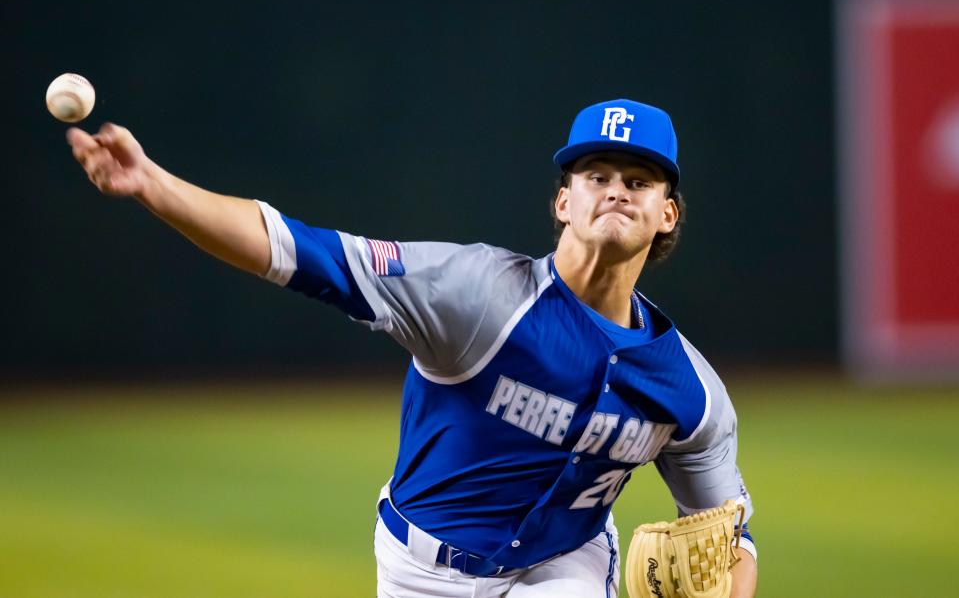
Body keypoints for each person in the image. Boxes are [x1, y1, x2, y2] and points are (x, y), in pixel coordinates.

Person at [66, 98, 757, 598]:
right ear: (562, 203)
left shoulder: (687, 390)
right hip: (422, 573)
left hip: (563, 568)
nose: (615, 192)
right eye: (596, 176)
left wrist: (731, 583)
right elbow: (296, 251)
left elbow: (728, 533)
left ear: (666, 213)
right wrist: (153, 185)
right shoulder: (476, 296)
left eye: (637, 181)